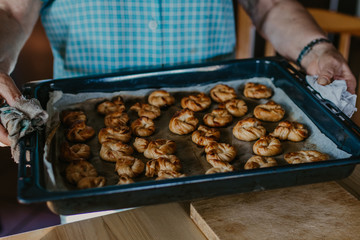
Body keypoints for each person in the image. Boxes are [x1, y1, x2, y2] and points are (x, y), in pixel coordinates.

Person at [0, 0, 357, 147]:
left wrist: (315, 48)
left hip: (219, 125)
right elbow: (12, 12)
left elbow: (269, 4)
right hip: (89, 129)